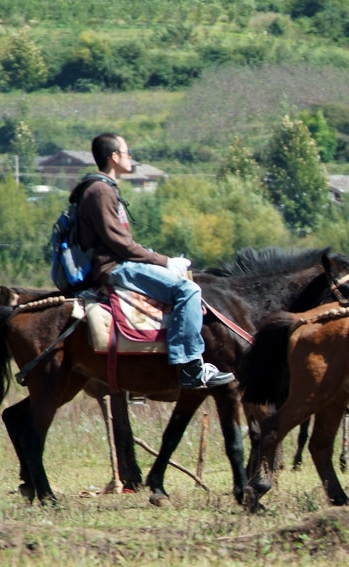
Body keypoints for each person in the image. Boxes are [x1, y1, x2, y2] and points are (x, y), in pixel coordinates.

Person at [75, 133, 234, 390]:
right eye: (127, 153)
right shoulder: (100, 191)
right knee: (188, 289)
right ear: (114, 157)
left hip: (119, 262)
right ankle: (191, 366)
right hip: (114, 268)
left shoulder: (103, 189)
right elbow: (121, 245)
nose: (130, 158)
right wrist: (164, 261)